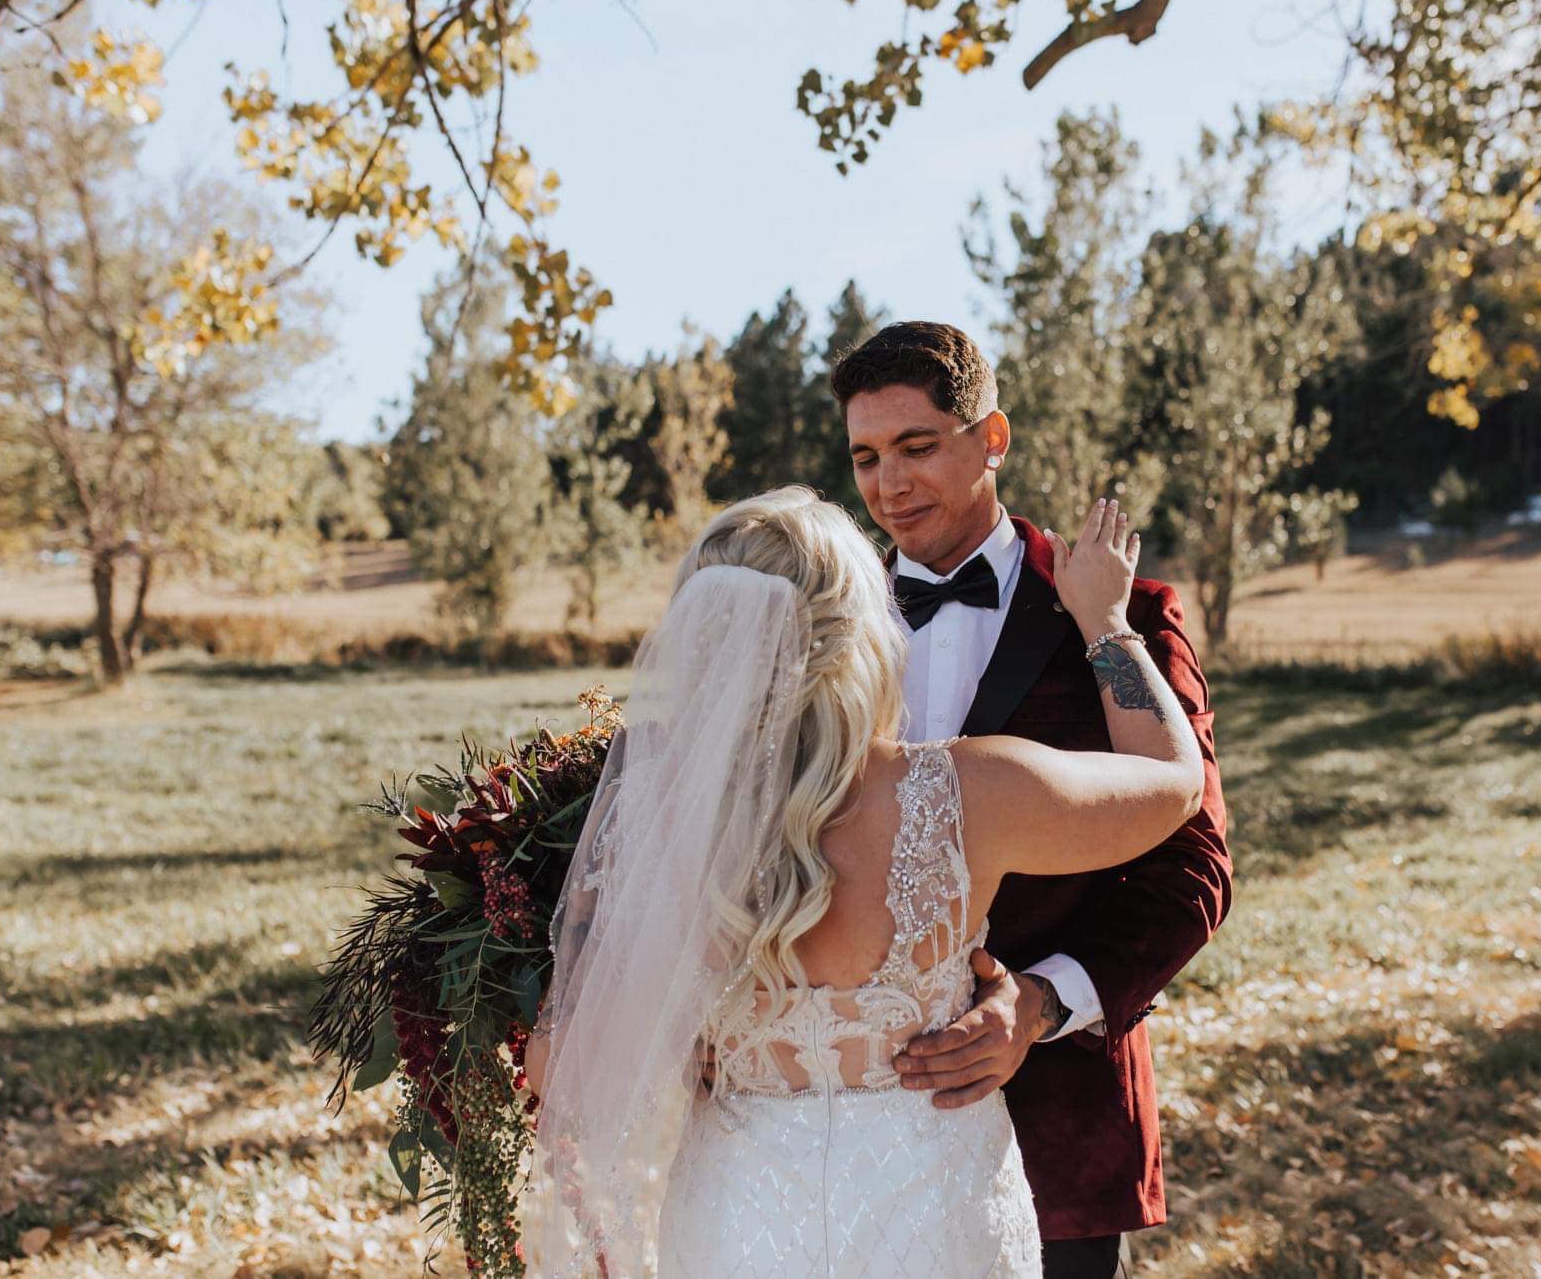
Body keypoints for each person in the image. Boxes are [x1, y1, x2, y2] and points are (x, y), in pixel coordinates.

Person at [523, 486, 1205, 1277]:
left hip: (736, 1223)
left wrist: (685, 1040)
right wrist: (1107, 621)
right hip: (932, 1218)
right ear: (866, 635)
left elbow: (560, 1064)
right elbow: (1173, 780)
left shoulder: (654, 810)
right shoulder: (966, 792)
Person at [835, 321, 1232, 1278]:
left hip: (1060, 1118)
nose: (891, 485)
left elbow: (1194, 868)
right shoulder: (824, 626)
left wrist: (1043, 1004)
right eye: (866, 457)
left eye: (919, 447)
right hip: (856, 1119)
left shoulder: (1124, 617)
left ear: (993, 439)